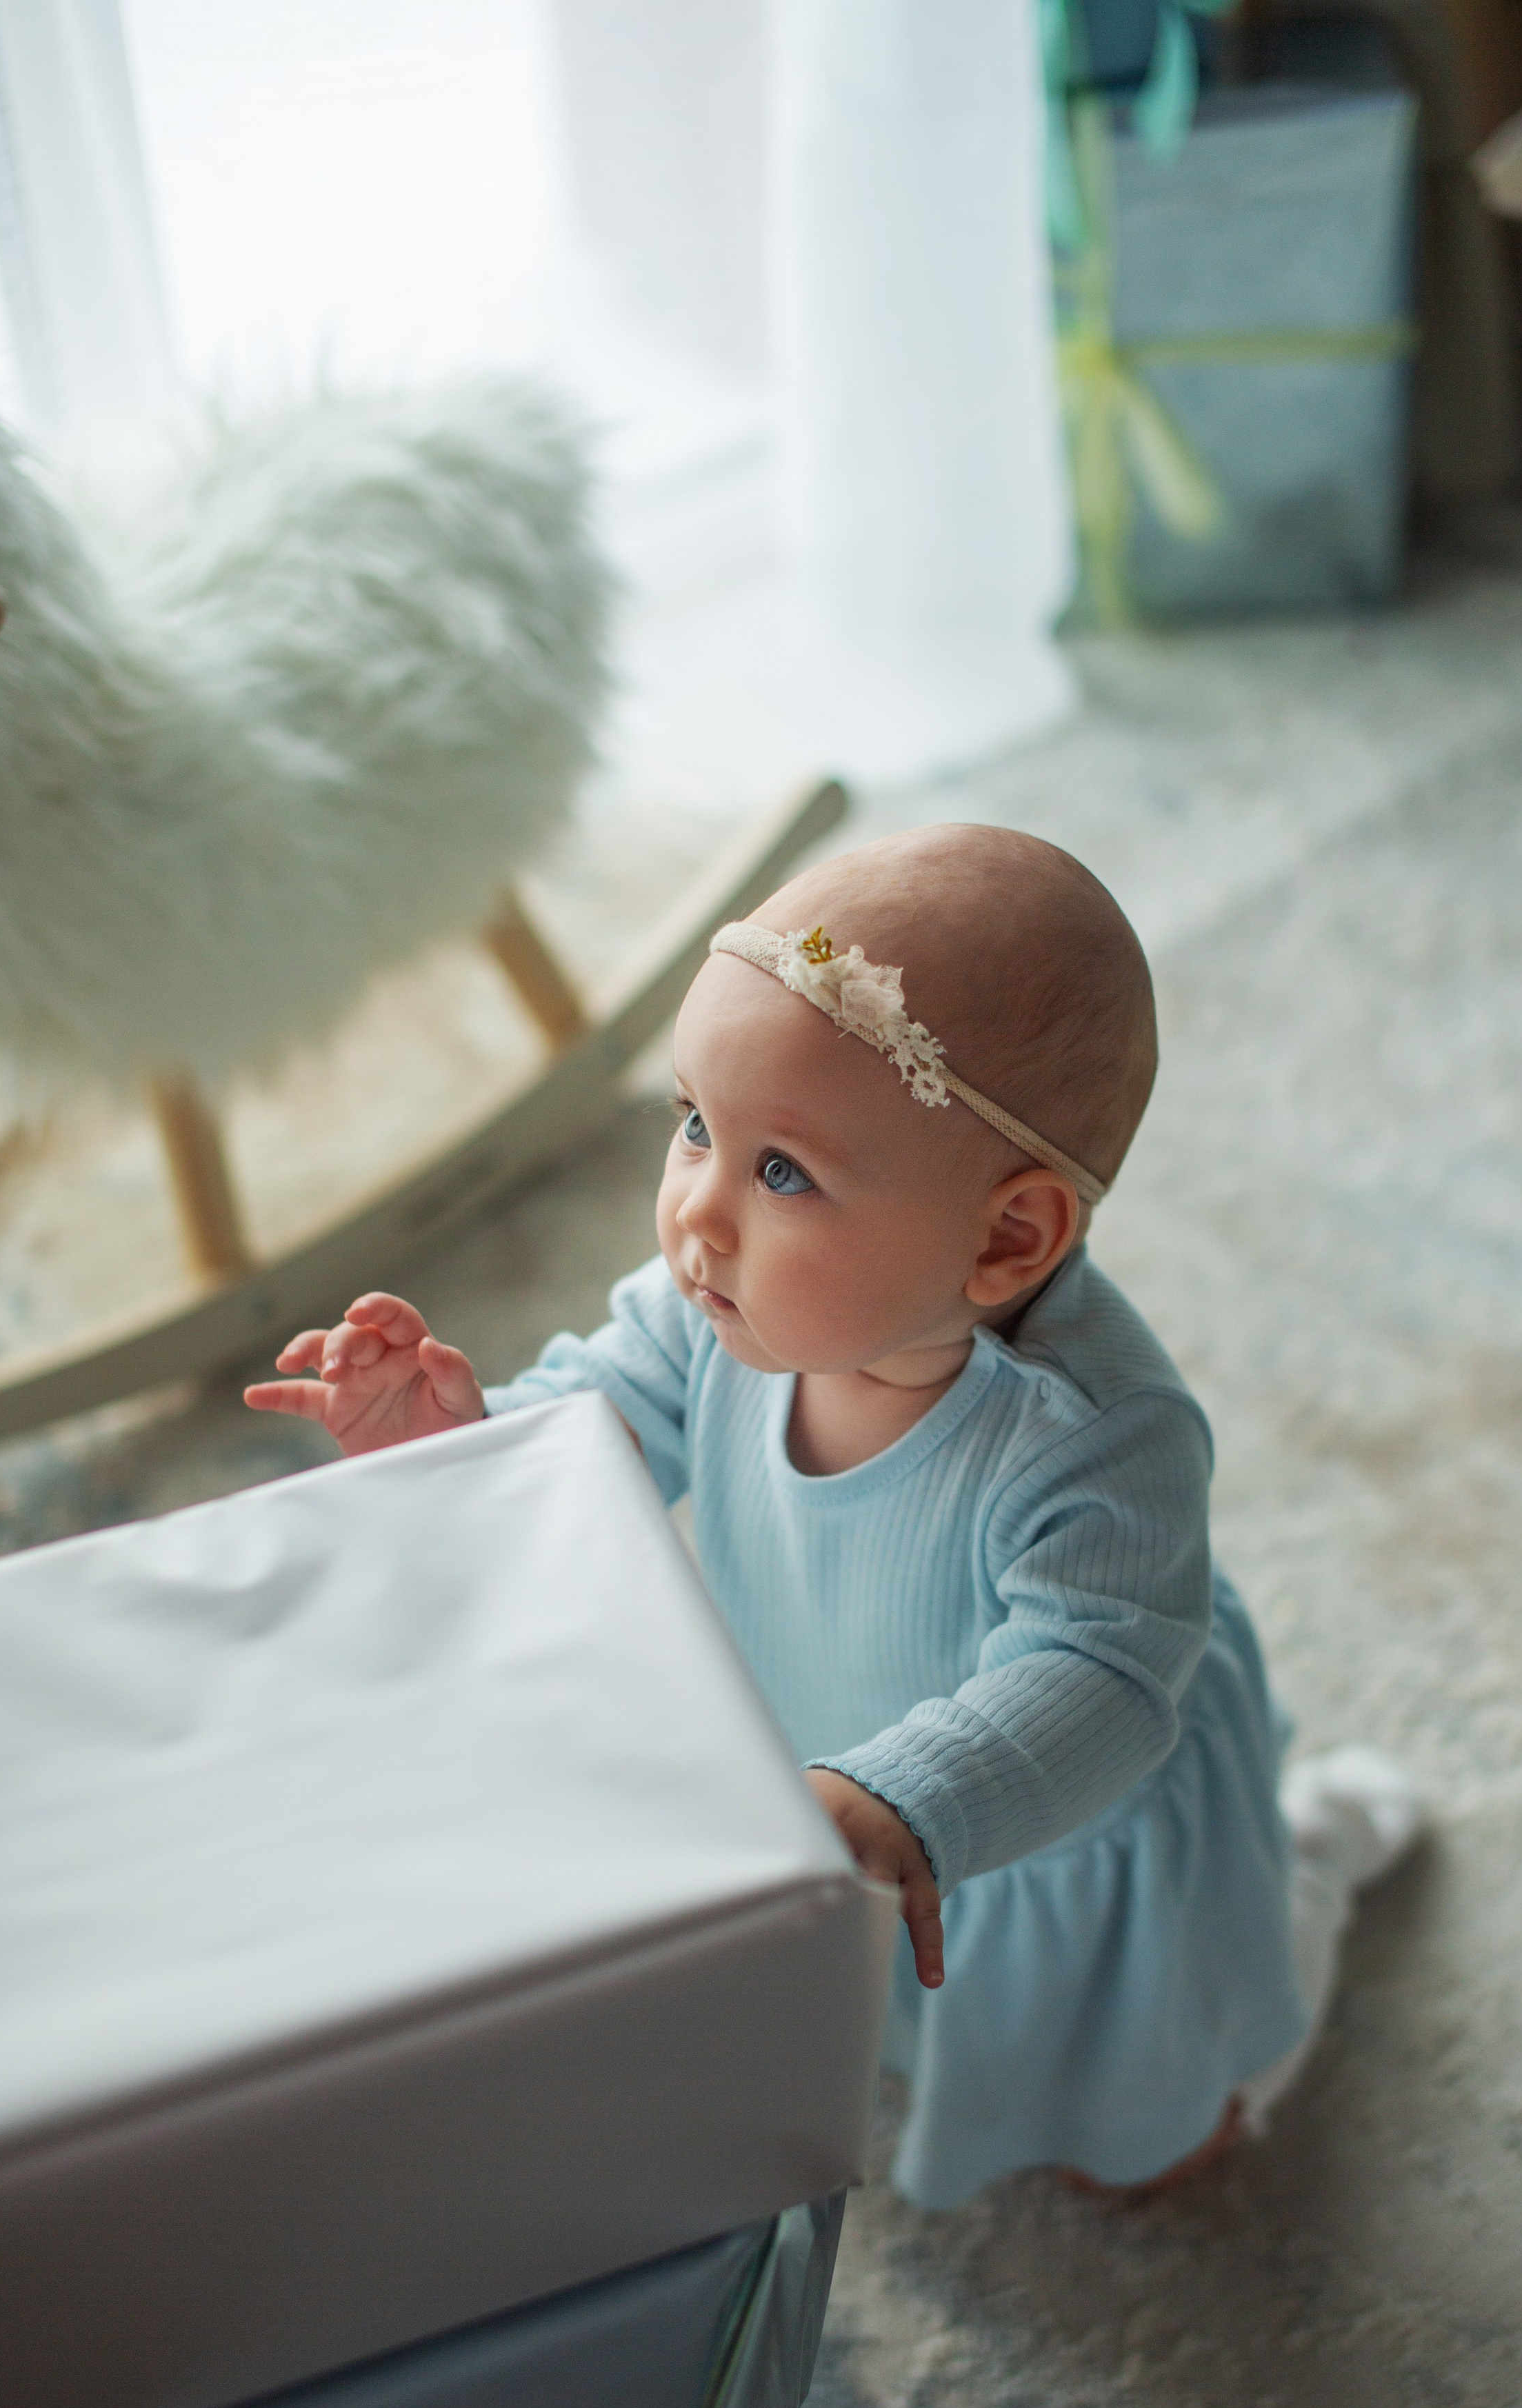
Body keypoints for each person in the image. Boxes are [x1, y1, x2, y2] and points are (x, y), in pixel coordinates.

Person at [246, 823, 1419, 2209]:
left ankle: (1305, 1872)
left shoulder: (1097, 1439)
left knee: (1160, 2148)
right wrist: (454, 1439)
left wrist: (904, 1797)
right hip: (840, 1758)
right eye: (694, 1126)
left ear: (1004, 1241)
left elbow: (1095, 1681)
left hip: (1042, 1807)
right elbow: (591, 1423)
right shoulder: (713, 1301)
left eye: (779, 1172)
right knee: (880, 1996)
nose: (697, 1215)